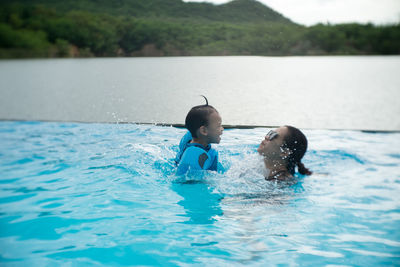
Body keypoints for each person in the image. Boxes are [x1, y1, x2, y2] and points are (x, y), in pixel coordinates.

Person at [175, 96, 224, 175]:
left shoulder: (194, 138)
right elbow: (188, 182)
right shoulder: (193, 155)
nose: (222, 129)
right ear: (204, 131)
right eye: (218, 126)